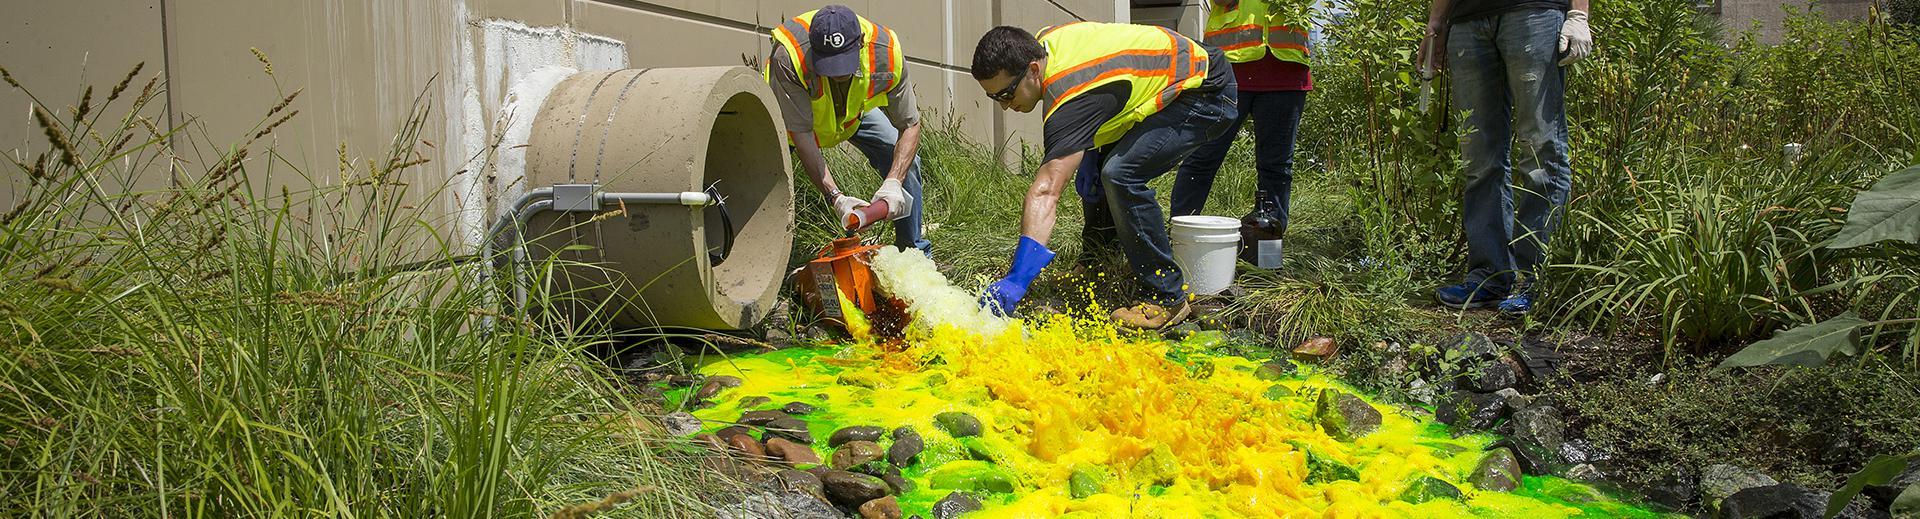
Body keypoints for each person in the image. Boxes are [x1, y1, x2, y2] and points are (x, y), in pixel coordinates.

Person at [970, 23, 1239, 329]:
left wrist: (1018, 278)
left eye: (1006, 93)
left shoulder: (1069, 94)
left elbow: (1046, 191)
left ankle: (1167, 296)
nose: (1004, 105)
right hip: (1170, 79)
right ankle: (1096, 260)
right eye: (995, 98)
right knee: (1097, 168)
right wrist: (1092, 152)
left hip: (1206, 91)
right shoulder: (1043, 42)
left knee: (1120, 174)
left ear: (1033, 70)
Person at [1417, 0, 1591, 315]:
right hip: (1468, 19)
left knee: (1541, 151)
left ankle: (1536, 279)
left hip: (1534, 12)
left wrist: (1579, 13)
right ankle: (1489, 277)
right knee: (1478, 160)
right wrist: (1436, 23)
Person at [767, 5, 930, 252]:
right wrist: (836, 198)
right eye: (829, 65)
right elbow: (802, 136)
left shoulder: (887, 52)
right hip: (793, 127)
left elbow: (909, 124)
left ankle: (913, 253)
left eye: (844, 63)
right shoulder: (788, 57)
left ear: (861, 43)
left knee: (909, 162)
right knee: (767, 185)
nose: (837, 73)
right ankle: (776, 258)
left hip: (853, 115)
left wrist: (894, 181)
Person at [1171, 0, 1313, 234]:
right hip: (1227, 70)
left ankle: (1268, 247)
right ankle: (1180, 236)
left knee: (1276, 167)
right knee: (1203, 157)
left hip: (1286, 71)